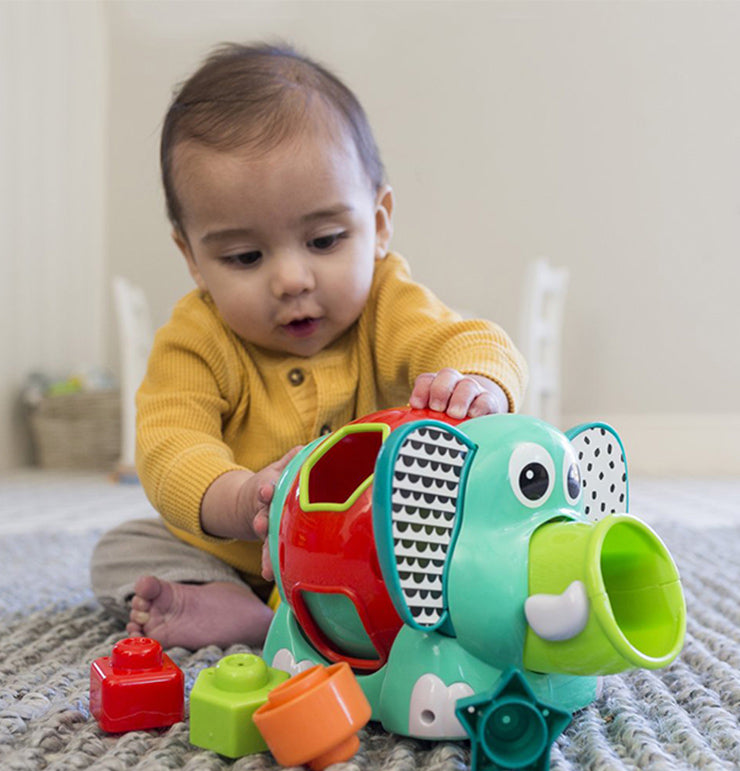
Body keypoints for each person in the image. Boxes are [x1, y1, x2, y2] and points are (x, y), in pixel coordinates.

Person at [90, 42, 528, 651]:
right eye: (245, 256)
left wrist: (475, 382)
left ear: (376, 225)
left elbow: (468, 339)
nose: (291, 279)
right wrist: (240, 497)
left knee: (478, 539)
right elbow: (170, 444)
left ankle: (325, 616)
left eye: (323, 240)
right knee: (121, 549)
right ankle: (247, 610)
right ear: (192, 258)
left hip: (378, 547)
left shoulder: (388, 302)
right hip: (248, 554)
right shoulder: (196, 338)